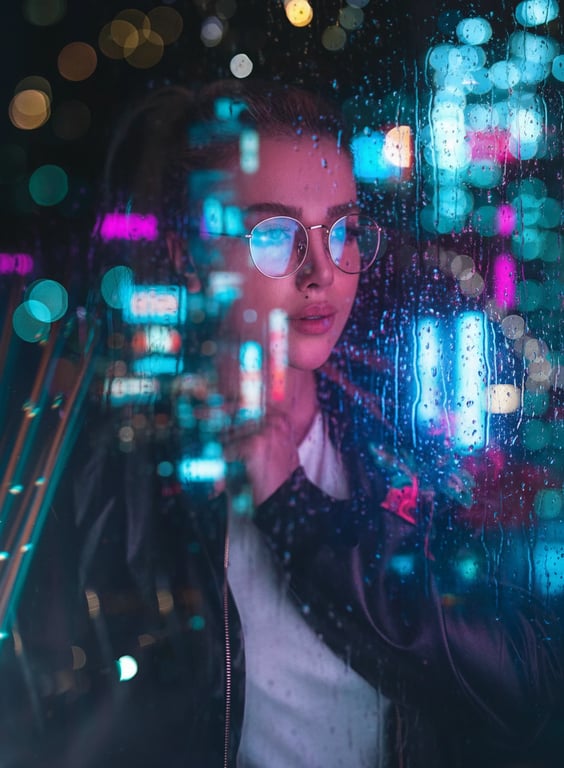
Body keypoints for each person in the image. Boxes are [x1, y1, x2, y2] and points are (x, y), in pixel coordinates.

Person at [1, 80, 562, 768]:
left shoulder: (400, 429)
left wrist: (290, 505)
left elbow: (521, 681)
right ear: (188, 253)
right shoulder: (112, 480)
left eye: (345, 231)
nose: (322, 272)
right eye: (272, 234)